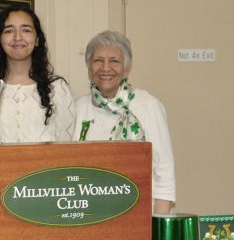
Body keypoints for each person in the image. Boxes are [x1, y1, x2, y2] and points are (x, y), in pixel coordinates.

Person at [74, 30, 175, 214]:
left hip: (140, 213)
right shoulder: (77, 108)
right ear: (89, 68)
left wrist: (159, 225)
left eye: (114, 61)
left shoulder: (148, 105)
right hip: (88, 213)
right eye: (98, 60)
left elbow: (164, 171)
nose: (105, 68)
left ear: (127, 69)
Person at [0, 5, 75, 143]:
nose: (18, 37)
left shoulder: (58, 88)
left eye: (26, 30)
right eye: (9, 30)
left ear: (37, 39)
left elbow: (67, 145)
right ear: (0, 39)